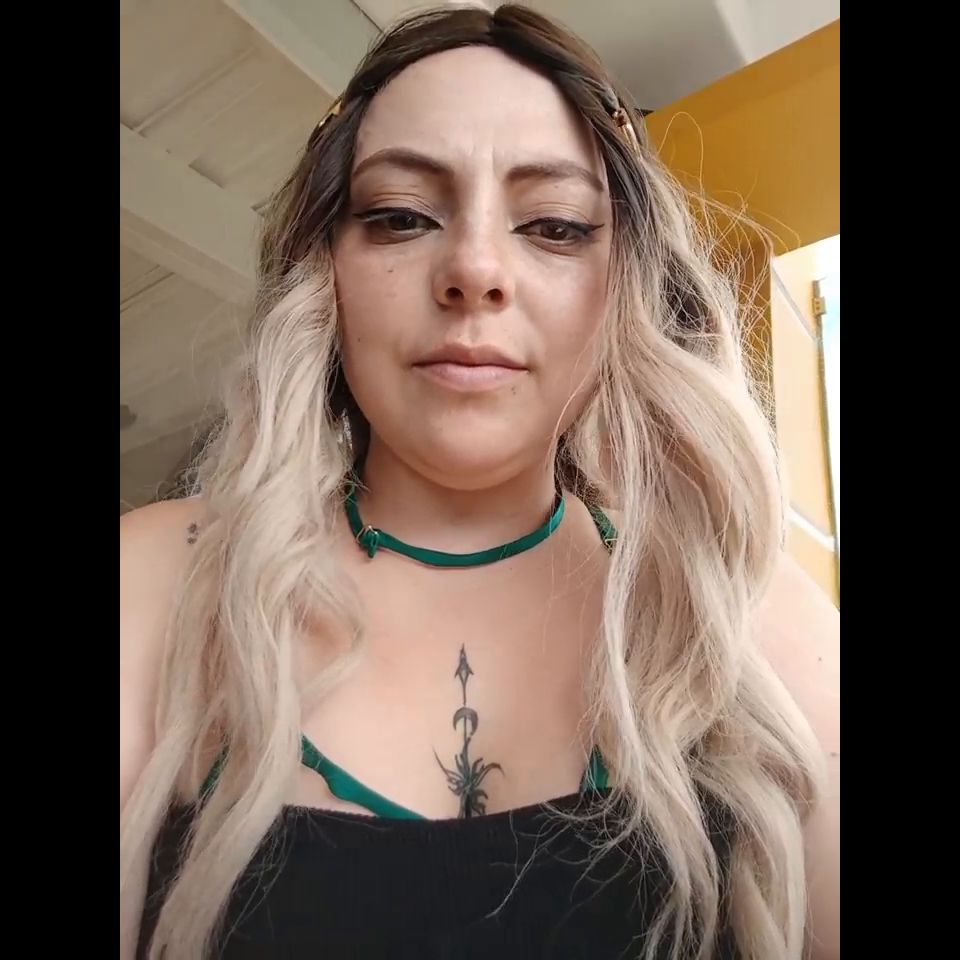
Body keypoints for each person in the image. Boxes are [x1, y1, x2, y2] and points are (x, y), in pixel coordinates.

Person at [120, 5, 840, 959]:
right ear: (324, 267)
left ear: (624, 284)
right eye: (401, 216)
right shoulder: (156, 585)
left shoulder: (745, 615)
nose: (474, 269)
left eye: (554, 225)